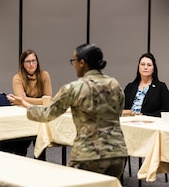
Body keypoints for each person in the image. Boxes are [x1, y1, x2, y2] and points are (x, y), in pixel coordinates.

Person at [7, 44, 127, 179]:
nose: (73, 65)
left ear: (82, 63)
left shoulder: (74, 88)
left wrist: (24, 103)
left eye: (74, 61)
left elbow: (46, 114)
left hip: (89, 155)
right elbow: (119, 113)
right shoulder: (115, 84)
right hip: (117, 153)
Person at [0, 49, 52, 160]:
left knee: (41, 135)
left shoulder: (44, 75)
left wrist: (25, 99)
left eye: (34, 61)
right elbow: (20, 102)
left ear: (37, 62)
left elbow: (48, 101)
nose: (31, 64)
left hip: (40, 114)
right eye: (28, 62)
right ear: (23, 64)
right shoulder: (17, 78)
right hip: (24, 115)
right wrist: (39, 100)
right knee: (21, 143)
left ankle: (41, 162)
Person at [124, 53, 169, 117]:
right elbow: (122, 108)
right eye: (142, 64)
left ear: (153, 68)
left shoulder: (161, 87)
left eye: (149, 65)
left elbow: (166, 111)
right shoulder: (130, 87)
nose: (145, 67)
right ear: (138, 67)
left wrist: (145, 115)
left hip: (151, 124)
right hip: (129, 123)